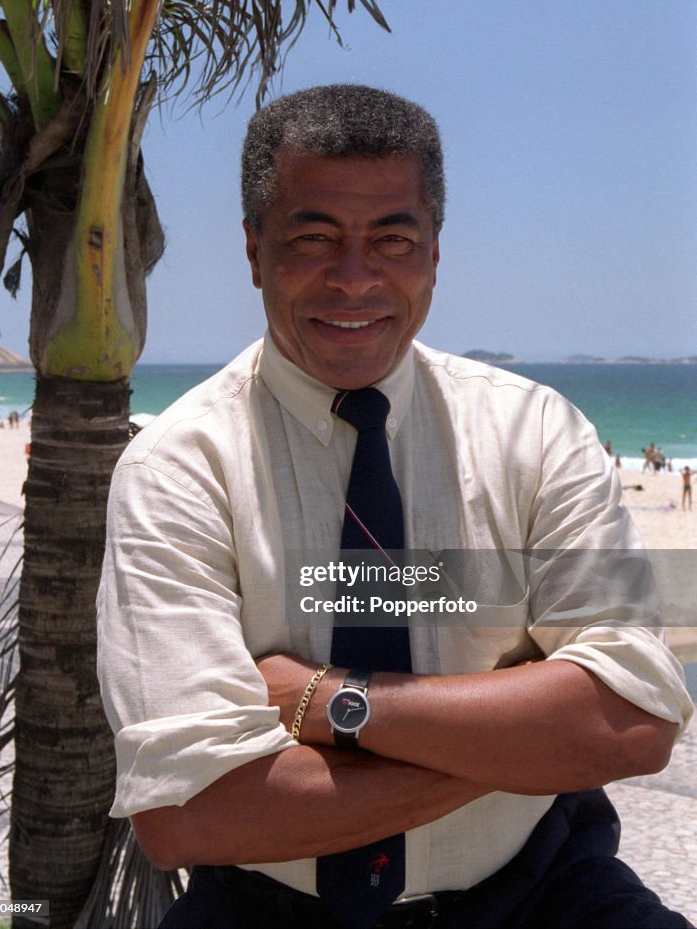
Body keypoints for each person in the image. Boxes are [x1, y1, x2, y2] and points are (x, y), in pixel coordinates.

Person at [97, 85, 694, 929]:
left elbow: (635, 724)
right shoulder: (180, 469)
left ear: (434, 254)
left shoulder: (535, 432)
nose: (354, 277)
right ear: (253, 249)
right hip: (268, 908)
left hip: (540, 893)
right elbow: (192, 814)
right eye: (313, 237)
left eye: (392, 238)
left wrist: (322, 702)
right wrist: (524, 734)